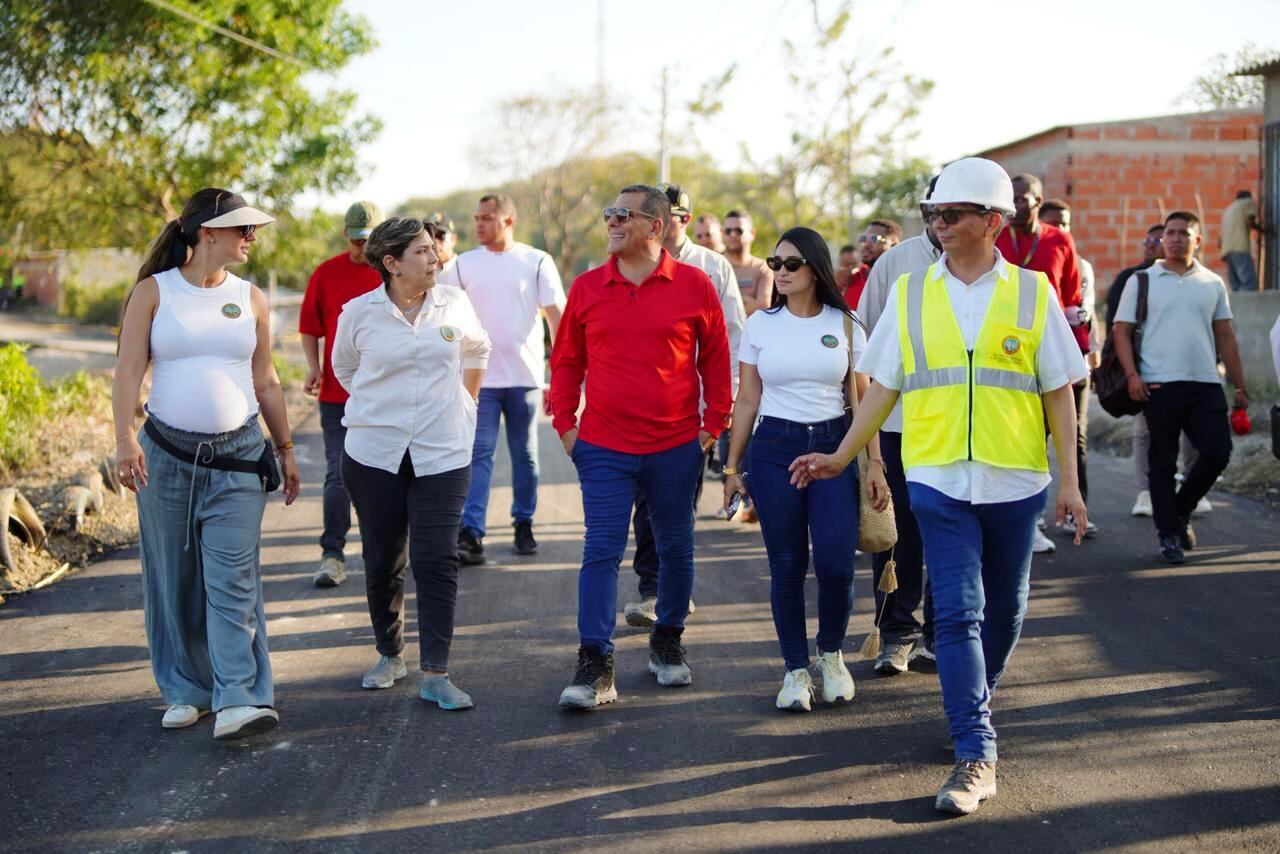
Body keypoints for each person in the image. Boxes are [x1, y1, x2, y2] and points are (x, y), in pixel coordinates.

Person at [792, 158, 1088, 815]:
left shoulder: (1034, 294)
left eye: (951, 214)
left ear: (992, 220)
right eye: (932, 215)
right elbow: (884, 385)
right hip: (935, 477)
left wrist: (1069, 481)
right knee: (955, 613)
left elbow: (1058, 392)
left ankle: (971, 696)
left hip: (1015, 480)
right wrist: (843, 456)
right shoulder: (912, 294)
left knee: (1005, 613)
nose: (939, 225)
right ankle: (974, 752)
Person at [112, 187, 301, 740]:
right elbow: (127, 372)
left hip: (240, 459)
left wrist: (285, 449)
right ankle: (186, 689)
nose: (251, 237)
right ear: (206, 232)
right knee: (174, 578)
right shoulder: (153, 293)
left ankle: (239, 696)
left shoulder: (252, 298)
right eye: (242, 228)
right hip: (165, 459)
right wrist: (126, 437)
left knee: (233, 580)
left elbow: (265, 378)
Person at [550, 184, 731, 709]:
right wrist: (566, 425)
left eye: (622, 215)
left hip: (676, 445)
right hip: (603, 446)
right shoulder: (586, 287)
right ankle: (595, 662)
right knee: (600, 550)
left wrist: (711, 427)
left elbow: (716, 360)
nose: (611, 221)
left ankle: (667, 640)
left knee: (676, 547)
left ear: (656, 226)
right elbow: (566, 362)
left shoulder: (695, 284)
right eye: (609, 213)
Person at [723, 226, 888, 711]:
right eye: (774, 264)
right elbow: (748, 398)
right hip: (774, 448)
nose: (780, 272)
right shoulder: (760, 325)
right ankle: (796, 671)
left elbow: (863, 401)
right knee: (787, 565)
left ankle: (831, 655)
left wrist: (873, 463)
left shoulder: (846, 323)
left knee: (836, 563)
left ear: (814, 268)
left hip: (834, 448)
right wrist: (733, 467)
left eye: (790, 264)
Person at [330, 217, 492, 709]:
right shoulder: (359, 313)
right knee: (383, 559)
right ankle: (389, 653)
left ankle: (437, 673)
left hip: (443, 450)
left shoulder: (454, 303)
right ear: (391, 263)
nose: (434, 258)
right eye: (421, 252)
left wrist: (465, 403)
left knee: (436, 558)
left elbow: (478, 347)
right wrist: (382, 407)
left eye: (432, 249)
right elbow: (344, 367)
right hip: (374, 454)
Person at [622, 184, 745, 627]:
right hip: (640, 409)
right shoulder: (628, 264)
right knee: (644, 501)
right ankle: (652, 589)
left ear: (682, 219)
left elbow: (732, 335)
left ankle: (672, 589)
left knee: (679, 502)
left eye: (666, 213)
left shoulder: (712, 267)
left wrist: (724, 402)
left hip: (694, 411)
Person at [438, 194, 565, 563]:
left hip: (524, 377)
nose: (477, 224)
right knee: (478, 454)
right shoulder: (462, 265)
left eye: (486, 218)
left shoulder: (537, 260)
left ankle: (523, 522)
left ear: (508, 221)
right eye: (476, 218)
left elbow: (557, 316)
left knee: (525, 455)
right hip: (479, 379)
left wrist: (558, 374)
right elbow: (442, 314)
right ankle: (472, 532)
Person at [1113, 211, 1245, 564]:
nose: (1172, 239)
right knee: (1162, 463)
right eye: (1168, 233)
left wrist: (1240, 385)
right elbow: (1120, 331)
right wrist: (1132, 376)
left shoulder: (1213, 283)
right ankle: (1168, 534)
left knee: (1217, 452)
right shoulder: (1143, 280)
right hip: (1158, 385)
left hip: (1205, 384)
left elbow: (1227, 337)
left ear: (1197, 240)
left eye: (1183, 233)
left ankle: (1180, 510)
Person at [856, 184, 942, 676]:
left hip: (959, 428)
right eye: (937, 207)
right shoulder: (896, 263)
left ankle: (939, 633)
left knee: (947, 530)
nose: (944, 216)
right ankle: (896, 634)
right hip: (898, 423)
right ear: (925, 209)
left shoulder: (998, 271)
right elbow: (864, 339)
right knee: (896, 531)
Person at [996, 173, 1086, 554]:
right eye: (1011, 199)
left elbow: (1071, 297)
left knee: (1046, 437)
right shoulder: (996, 236)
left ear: (1040, 200)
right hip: (1003, 350)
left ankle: (1037, 519)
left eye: (1025, 199)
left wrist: (1077, 353)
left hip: (1045, 346)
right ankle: (1020, 521)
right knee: (1013, 434)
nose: (1017, 205)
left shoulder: (1060, 239)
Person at [298, 200, 384, 587]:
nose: (362, 248)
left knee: (383, 476)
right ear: (346, 235)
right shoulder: (327, 273)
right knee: (338, 475)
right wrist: (314, 366)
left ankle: (382, 553)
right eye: (356, 240)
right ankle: (332, 554)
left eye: (368, 240)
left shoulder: (393, 272)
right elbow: (310, 327)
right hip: (337, 395)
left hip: (385, 397)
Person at [1107, 226, 1207, 519]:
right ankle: (1145, 491)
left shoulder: (1200, 280)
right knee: (1144, 431)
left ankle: (1191, 485)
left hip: (1191, 371)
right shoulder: (1133, 278)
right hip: (1146, 369)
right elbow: (1118, 327)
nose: (1152, 246)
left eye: (1158, 240)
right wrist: (1129, 372)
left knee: (1193, 433)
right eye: (1148, 240)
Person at [1038, 199, 1097, 537]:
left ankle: (1076, 505)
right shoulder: (1012, 259)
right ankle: (1034, 515)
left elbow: (1081, 308)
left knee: (1075, 435)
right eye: (1055, 222)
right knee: (1036, 438)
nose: (1061, 229)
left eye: (1066, 222)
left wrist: (1093, 350)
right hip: (1030, 359)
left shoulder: (1077, 260)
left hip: (1073, 358)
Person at [724, 209, 774, 316]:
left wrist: (727, 304)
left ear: (752, 233)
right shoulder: (716, 266)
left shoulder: (763, 268)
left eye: (738, 230)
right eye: (728, 231)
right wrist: (746, 300)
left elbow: (763, 307)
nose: (732, 235)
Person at [846, 220, 901, 311]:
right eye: (863, 239)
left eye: (873, 239)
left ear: (893, 244)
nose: (866, 245)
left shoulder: (902, 280)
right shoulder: (849, 280)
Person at [1219, 190, 1259, 292]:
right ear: (1247, 197)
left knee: (1235, 286)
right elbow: (1250, 221)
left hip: (1226, 249)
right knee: (1248, 283)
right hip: (1239, 247)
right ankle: (1248, 307)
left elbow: (1220, 239)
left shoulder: (1229, 209)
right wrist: (1263, 230)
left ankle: (1236, 307)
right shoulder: (1247, 202)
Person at [425, 212, 459, 281]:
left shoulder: (464, 270)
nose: (434, 241)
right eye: (430, 235)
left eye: (440, 236)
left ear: (453, 239)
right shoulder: (421, 273)